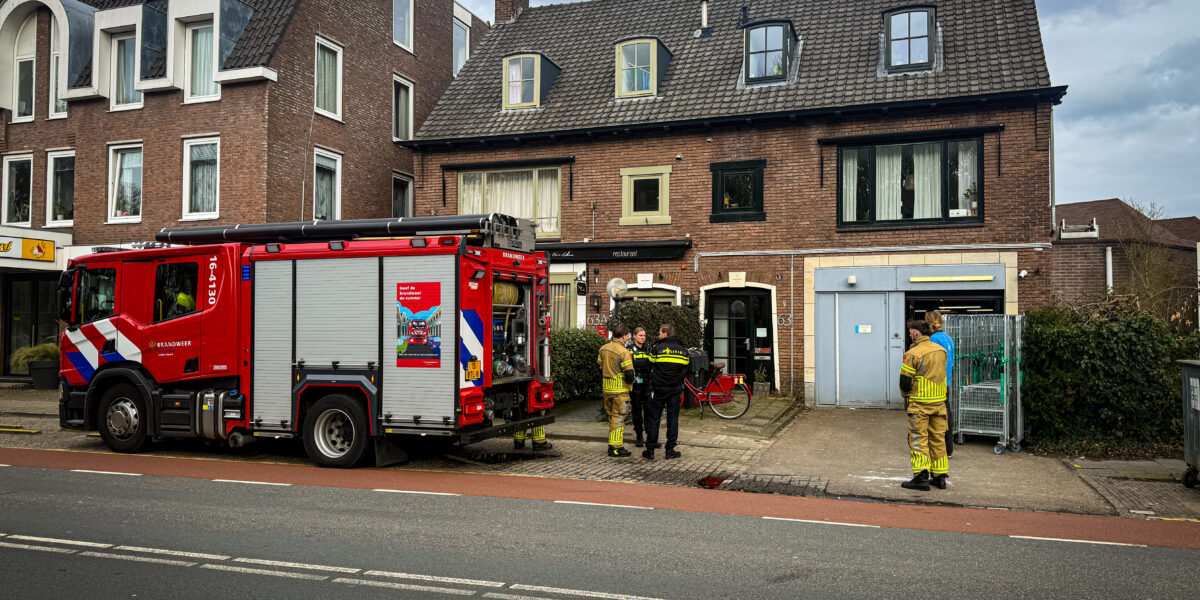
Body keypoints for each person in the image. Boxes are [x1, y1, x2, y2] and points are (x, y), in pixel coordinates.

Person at [899, 319, 950, 491]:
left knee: (918, 439)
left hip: (920, 404)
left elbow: (905, 381)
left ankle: (921, 477)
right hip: (939, 403)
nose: (909, 336)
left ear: (915, 333)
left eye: (910, 333)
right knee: (938, 439)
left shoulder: (913, 353)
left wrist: (906, 397)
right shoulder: (941, 350)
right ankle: (940, 477)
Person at [646, 323, 689, 460]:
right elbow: (686, 368)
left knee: (654, 419)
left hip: (659, 389)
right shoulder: (683, 350)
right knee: (672, 419)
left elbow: (649, 365)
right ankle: (670, 450)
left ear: (665, 333)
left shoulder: (657, 348)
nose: (659, 336)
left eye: (660, 333)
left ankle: (650, 450)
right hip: (675, 390)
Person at [597, 325, 636, 457]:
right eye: (628, 335)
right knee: (619, 419)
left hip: (607, 389)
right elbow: (629, 373)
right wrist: (631, 382)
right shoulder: (623, 351)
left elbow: (600, 366)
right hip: (620, 391)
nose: (628, 338)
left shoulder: (603, 348)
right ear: (624, 336)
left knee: (612, 418)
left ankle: (612, 444)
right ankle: (616, 447)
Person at [925, 310, 956, 457]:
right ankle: (949, 448)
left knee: (934, 417)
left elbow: (931, 363)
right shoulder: (949, 339)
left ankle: (938, 448)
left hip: (935, 383)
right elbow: (952, 363)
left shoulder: (933, 340)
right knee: (946, 414)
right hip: (947, 382)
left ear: (930, 325)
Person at [627, 327, 653, 448]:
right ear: (634, 336)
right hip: (636, 382)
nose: (643, 337)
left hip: (647, 382)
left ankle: (649, 436)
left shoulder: (649, 348)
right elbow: (630, 364)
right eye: (640, 335)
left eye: (644, 336)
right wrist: (644, 364)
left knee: (648, 411)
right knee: (637, 411)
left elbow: (652, 363)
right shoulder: (629, 349)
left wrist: (640, 364)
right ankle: (639, 436)